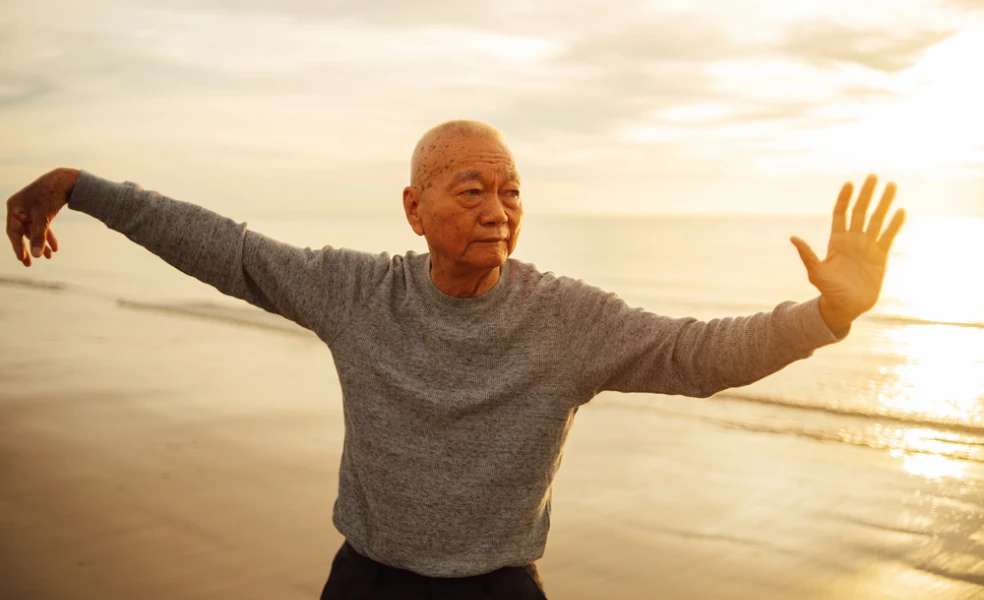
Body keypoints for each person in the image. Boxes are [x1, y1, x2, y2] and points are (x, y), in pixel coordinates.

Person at [5, 120, 905, 599]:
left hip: (500, 591)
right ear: (414, 206)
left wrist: (824, 315)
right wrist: (85, 190)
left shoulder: (567, 320)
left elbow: (695, 354)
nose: (497, 209)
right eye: (470, 189)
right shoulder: (355, 294)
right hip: (366, 579)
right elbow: (227, 248)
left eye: (511, 191)